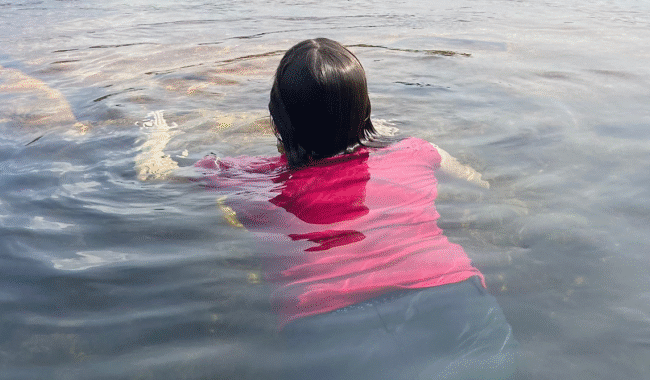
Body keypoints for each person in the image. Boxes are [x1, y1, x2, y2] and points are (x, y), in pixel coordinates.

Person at [140, 38, 517, 380]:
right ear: (365, 113)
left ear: (276, 123)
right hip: (453, 302)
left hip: (331, 328)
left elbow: (154, 174)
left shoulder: (246, 179)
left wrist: (154, 138)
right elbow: (476, 182)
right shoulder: (416, 152)